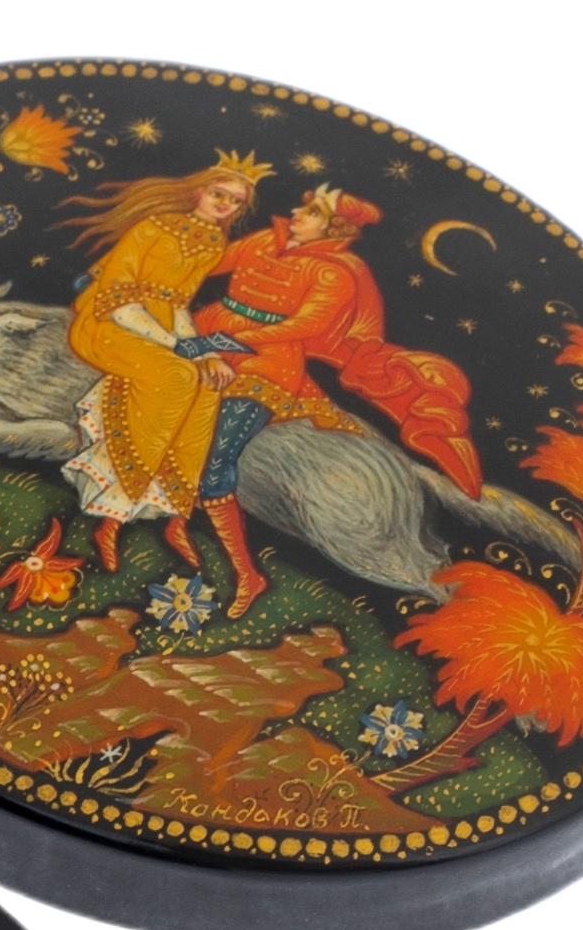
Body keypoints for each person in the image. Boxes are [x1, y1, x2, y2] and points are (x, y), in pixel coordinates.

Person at [182, 185, 484, 613]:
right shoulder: (267, 239)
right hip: (204, 332)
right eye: (302, 205)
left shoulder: (336, 273)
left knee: (215, 462)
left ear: (334, 226)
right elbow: (205, 264)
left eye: (310, 211)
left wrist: (228, 338)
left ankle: (247, 575)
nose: (296, 212)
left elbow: (304, 326)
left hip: (265, 364)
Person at [59, 153, 273, 581]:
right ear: (199, 191)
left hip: (158, 327)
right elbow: (117, 302)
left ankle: (175, 516)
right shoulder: (152, 227)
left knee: (208, 383)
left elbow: (177, 306)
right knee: (176, 376)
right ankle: (110, 518)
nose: (225, 205)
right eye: (219, 194)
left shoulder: (211, 242)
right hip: (108, 322)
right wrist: (177, 346)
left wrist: (206, 354)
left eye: (235, 202)